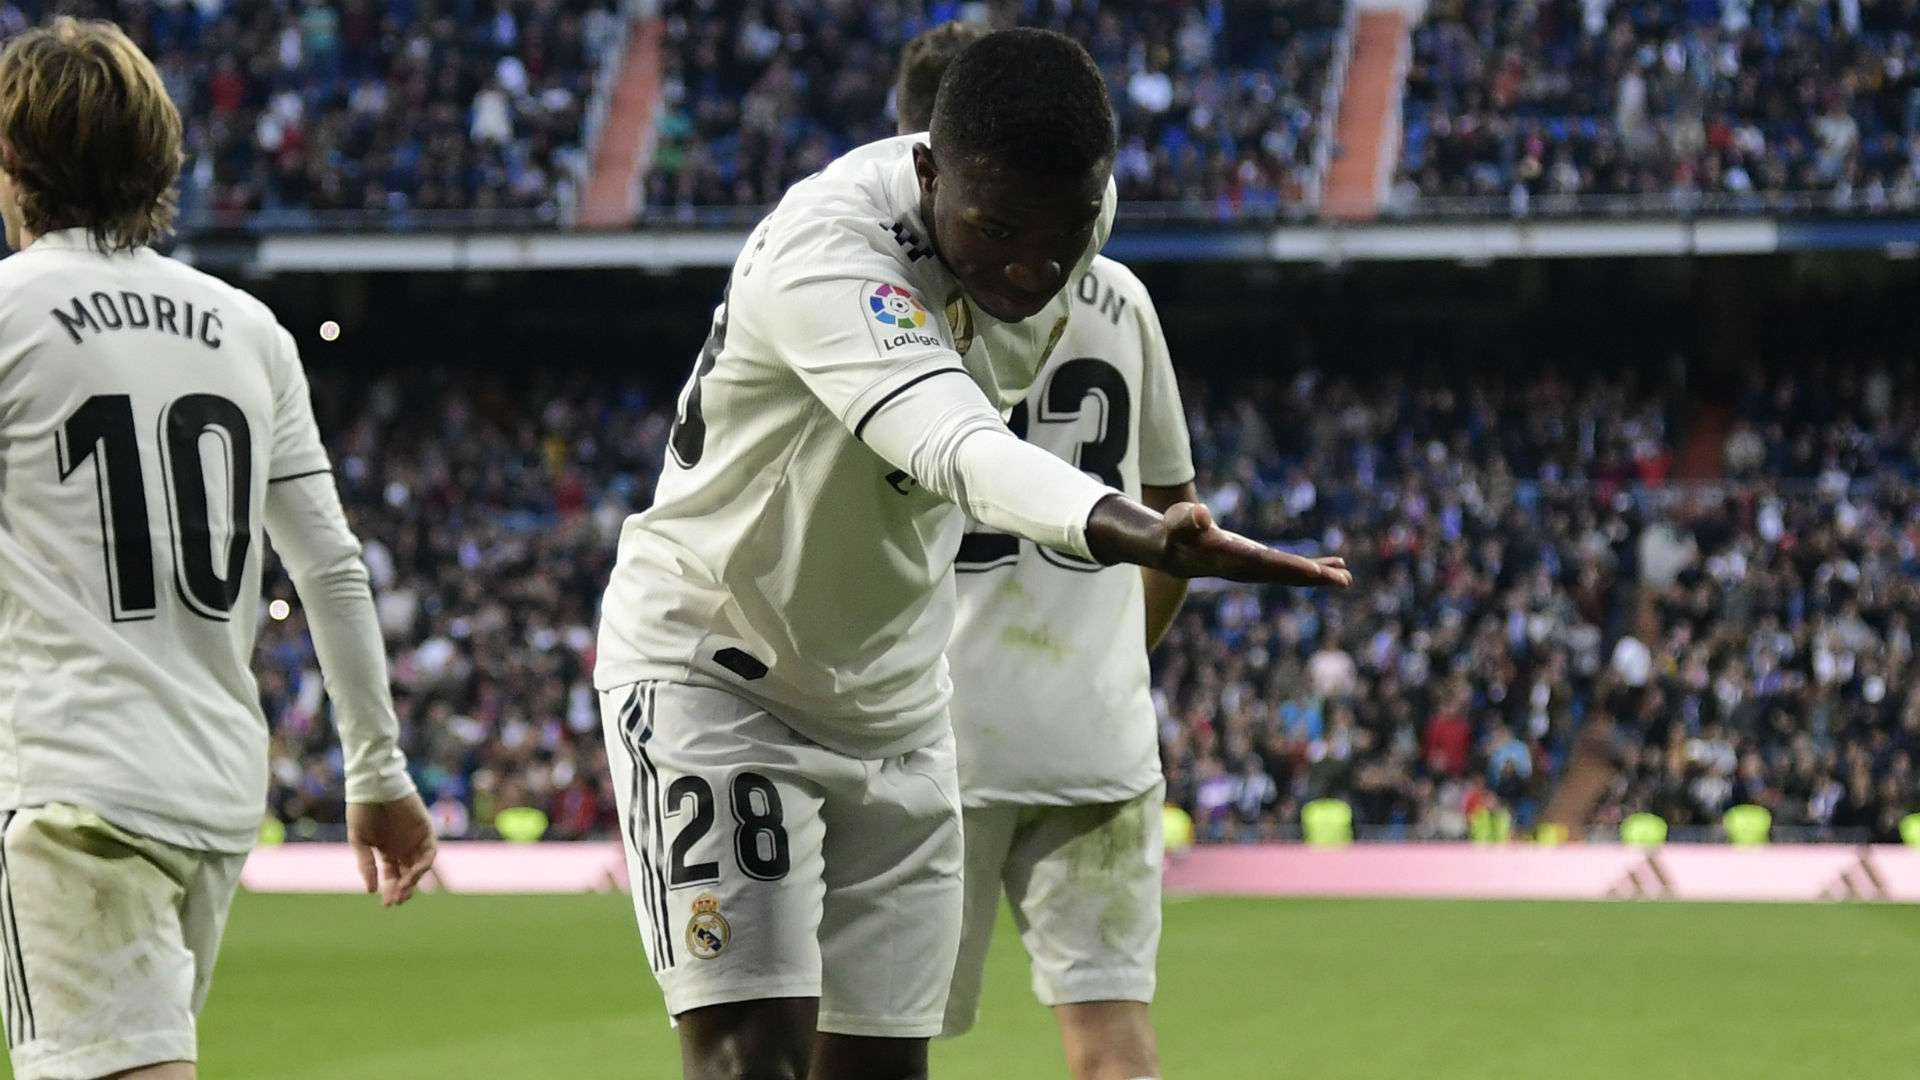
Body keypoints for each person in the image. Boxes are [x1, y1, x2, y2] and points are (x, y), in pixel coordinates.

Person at [595, 28, 1349, 1080]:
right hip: (724, 672)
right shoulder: (828, 251)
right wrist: (1140, 530)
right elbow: (959, 447)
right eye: (996, 229)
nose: (1033, 268)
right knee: (751, 1053)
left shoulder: (1073, 220)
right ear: (926, 165)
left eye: (1065, 233)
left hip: (901, 705)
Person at [0, 19, 435, 1080]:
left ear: (16, 166)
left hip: (69, 783)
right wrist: (376, 766)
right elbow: (328, 563)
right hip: (208, 787)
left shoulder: (8, 315)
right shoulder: (247, 330)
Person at [895, 23, 1189, 1080]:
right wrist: (1120, 653)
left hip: (940, 734)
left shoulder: (895, 304)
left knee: (887, 1040)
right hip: (1096, 733)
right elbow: (1173, 514)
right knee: (1114, 1048)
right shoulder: (1124, 299)